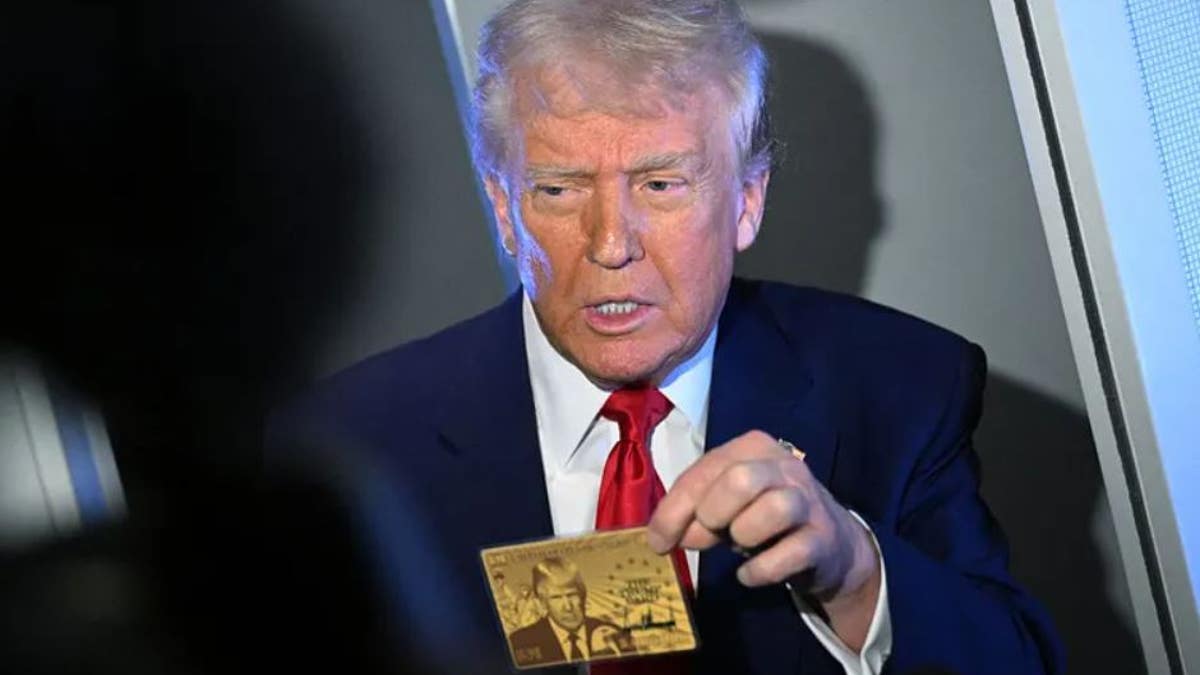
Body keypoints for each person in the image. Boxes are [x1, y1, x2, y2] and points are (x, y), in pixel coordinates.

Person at [269, 1, 1063, 673]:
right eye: (558, 187)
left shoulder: (900, 387)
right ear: (505, 206)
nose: (611, 242)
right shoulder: (355, 442)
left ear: (747, 201)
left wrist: (855, 572)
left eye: (660, 184)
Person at [507, 557, 635, 667]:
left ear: (582, 596)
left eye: (572, 595)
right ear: (542, 602)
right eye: (556, 597)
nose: (567, 607)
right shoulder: (520, 642)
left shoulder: (614, 633)